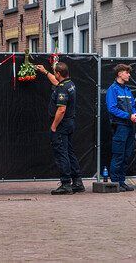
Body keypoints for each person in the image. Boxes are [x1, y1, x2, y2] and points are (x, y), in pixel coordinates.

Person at [35, 62, 84, 195]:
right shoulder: (70, 84)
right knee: (69, 152)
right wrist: (45, 72)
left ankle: (66, 184)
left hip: (61, 125)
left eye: (55, 73)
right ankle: (78, 182)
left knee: (61, 153)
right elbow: (57, 83)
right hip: (70, 123)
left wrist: (54, 126)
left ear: (58, 74)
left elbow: (61, 109)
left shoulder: (63, 88)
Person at [105, 64, 136, 192]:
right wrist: (128, 116)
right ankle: (115, 182)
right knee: (118, 155)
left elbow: (133, 106)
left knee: (127, 155)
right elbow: (112, 108)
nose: (129, 75)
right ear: (120, 74)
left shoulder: (127, 89)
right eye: (127, 72)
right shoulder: (112, 89)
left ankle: (121, 181)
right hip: (119, 126)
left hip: (130, 126)